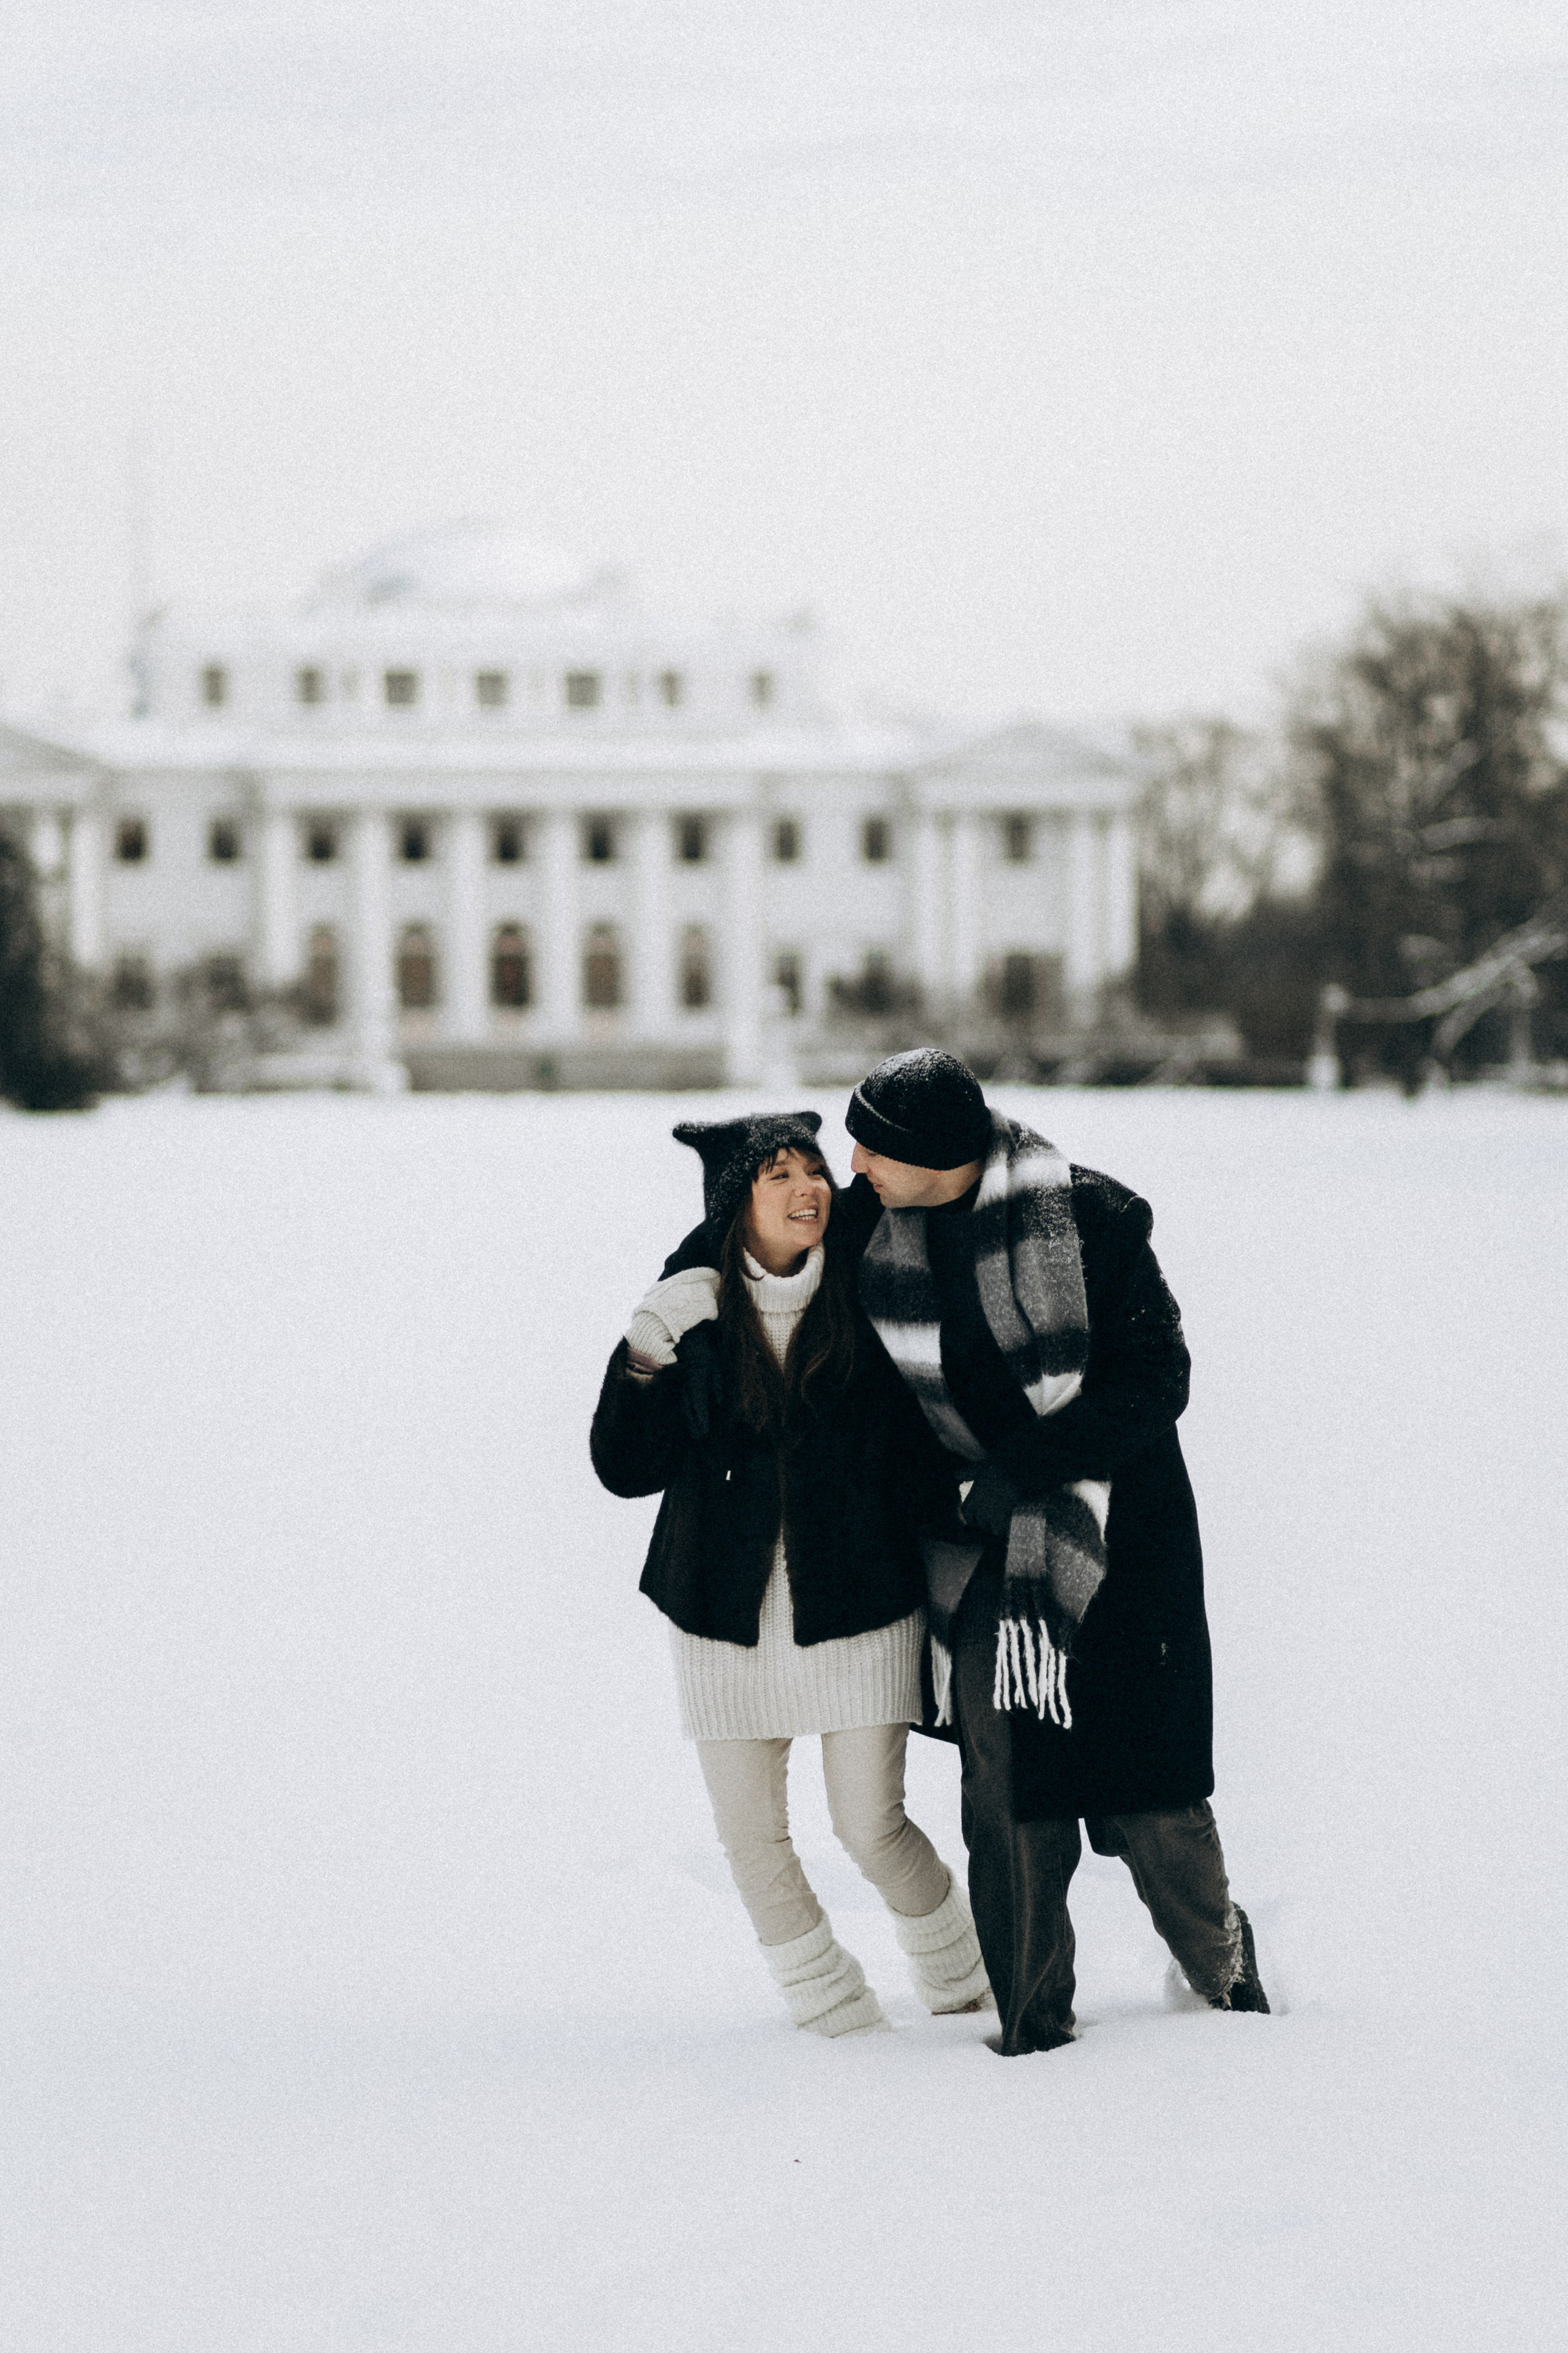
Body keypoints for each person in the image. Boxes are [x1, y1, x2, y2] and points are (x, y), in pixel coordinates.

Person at [657, 1052, 1269, 2057]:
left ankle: (1225, 1977)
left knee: (1152, 1794)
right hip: (984, 1550)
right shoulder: (876, 1218)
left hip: (1123, 1535)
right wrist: (680, 1308)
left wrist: (1023, 1464)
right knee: (1007, 1766)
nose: (850, 1165)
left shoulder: (1095, 1222)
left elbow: (1158, 1379)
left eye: (872, 1146)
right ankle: (1031, 2023)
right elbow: (735, 1233)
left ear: (937, 1159)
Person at [590, 1110, 992, 2038]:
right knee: (754, 1845)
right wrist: (647, 1349)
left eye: (813, 1168)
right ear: (739, 1209)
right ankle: (837, 2019)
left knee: (873, 1829)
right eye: (779, 1174)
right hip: (721, 1615)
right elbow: (623, 1467)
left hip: (859, 1607)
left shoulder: (868, 1291)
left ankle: (966, 1985)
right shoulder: (690, 1315)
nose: (809, 1185)